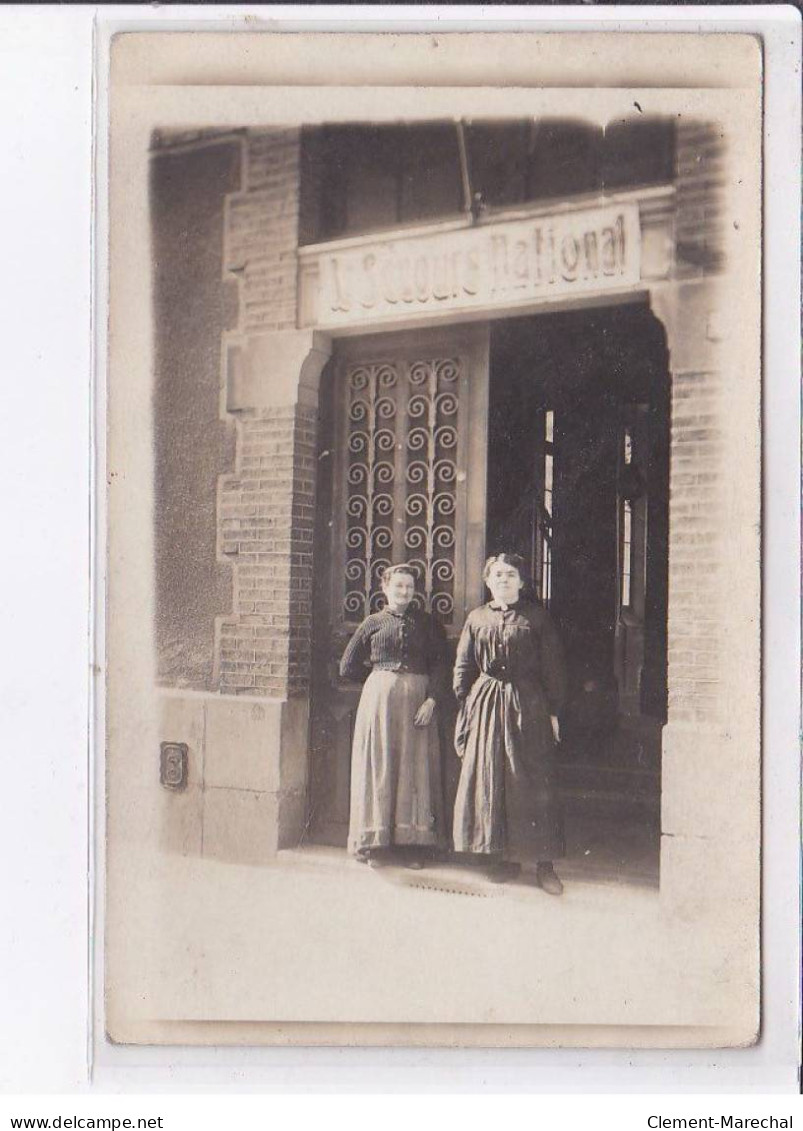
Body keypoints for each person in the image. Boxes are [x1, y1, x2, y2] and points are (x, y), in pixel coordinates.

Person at [452, 553, 567, 893]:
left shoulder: (537, 618)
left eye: (511, 574)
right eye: (497, 574)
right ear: (488, 581)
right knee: (493, 778)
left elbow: (553, 668)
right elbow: (463, 665)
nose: (503, 580)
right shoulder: (476, 618)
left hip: (527, 703)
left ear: (521, 581)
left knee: (532, 779)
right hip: (486, 704)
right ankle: (503, 857)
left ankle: (544, 865)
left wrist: (553, 711)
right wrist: (466, 702)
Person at [339, 564, 447, 868]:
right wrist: (379, 684)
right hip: (380, 703)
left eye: (409, 587)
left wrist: (432, 700)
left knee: (415, 768)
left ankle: (413, 846)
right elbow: (347, 666)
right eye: (398, 586)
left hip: (418, 702)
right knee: (381, 766)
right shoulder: (372, 623)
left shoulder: (428, 624)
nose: (404, 592)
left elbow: (441, 666)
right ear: (385, 588)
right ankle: (377, 845)